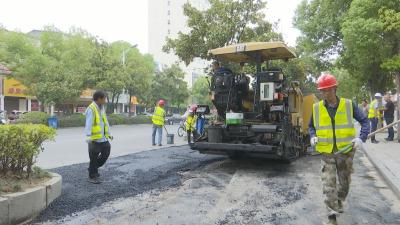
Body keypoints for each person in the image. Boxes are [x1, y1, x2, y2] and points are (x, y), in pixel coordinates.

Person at [309, 74, 369, 225]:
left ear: (335, 88)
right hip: (327, 152)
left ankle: (339, 200)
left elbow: (364, 121)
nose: (325, 94)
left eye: (328, 90)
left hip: (346, 151)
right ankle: (332, 216)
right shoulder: (316, 108)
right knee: (328, 184)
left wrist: (361, 138)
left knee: (344, 183)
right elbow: (311, 126)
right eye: (322, 91)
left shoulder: (349, 104)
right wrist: (313, 136)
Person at [85, 90, 113, 184]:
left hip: (103, 138)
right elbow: (88, 123)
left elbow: (105, 122)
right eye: (104, 98)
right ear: (99, 99)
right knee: (93, 158)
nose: (105, 100)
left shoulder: (102, 108)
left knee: (106, 153)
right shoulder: (91, 108)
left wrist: (109, 133)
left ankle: (92, 168)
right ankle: (92, 176)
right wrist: (88, 135)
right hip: (94, 139)